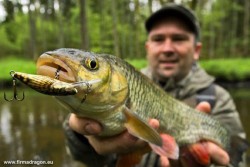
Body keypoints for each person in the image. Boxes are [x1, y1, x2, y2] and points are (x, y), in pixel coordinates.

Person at [63, 3, 247, 167]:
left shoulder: (218, 97)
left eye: (178, 38)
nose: (167, 48)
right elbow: (84, 159)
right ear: (148, 47)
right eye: (158, 39)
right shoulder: (116, 84)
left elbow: (237, 160)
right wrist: (83, 138)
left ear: (197, 50)